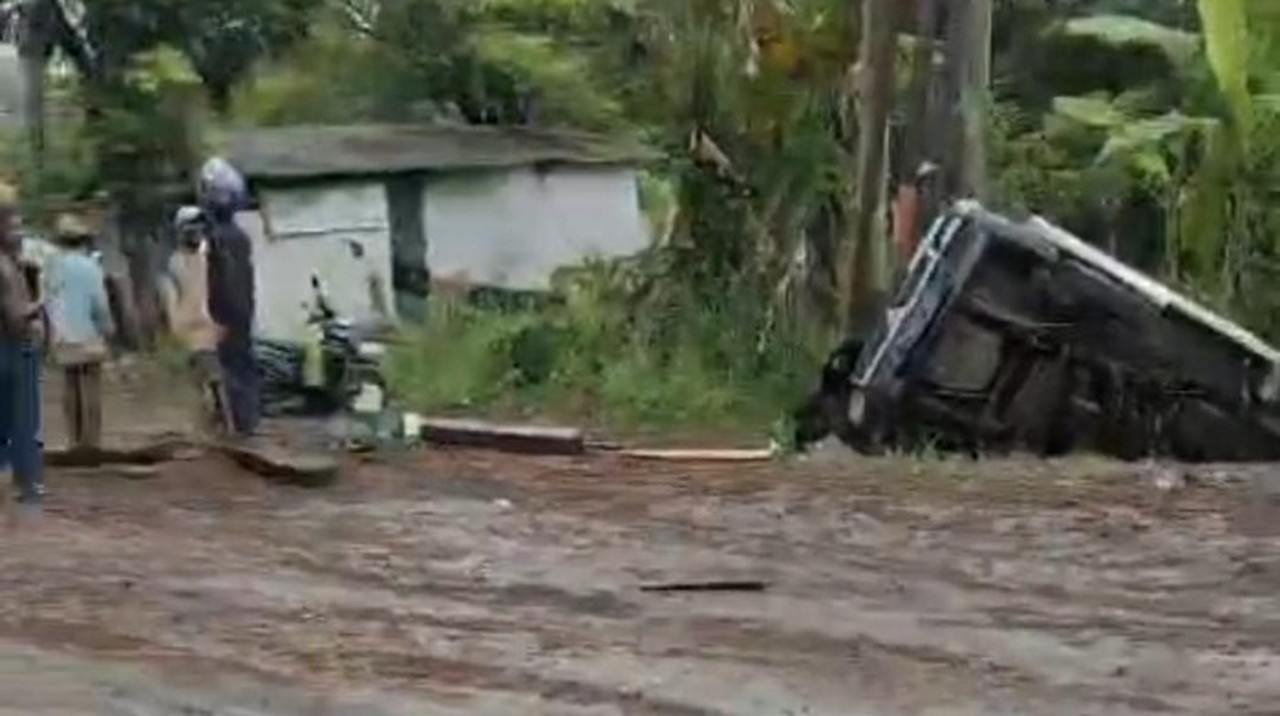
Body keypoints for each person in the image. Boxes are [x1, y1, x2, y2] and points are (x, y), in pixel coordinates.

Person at [198, 158, 260, 438]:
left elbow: (227, 283)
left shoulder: (220, 239)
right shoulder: (237, 237)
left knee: (234, 369)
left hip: (230, 314)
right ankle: (242, 422)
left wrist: (222, 316)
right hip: (241, 312)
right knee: (241, 366)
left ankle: (240, 425)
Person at [47, 213, 114, 452]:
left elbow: (49, 302)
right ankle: (92, 441)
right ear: (83, 240)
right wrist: (108, 328)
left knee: (71, 386)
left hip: (63, 336)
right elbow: (100, 304)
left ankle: (74, 440)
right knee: (91, 387)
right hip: (89, 335)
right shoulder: (91, 267)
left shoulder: (53, 267)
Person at [160, 206, 229, 434]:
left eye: (199, 226)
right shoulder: (173, 264)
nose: (196, 231)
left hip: (213, 329)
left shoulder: (209, 258)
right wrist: (176, 330)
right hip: (191, 334)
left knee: (218, 385)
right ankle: (207, 433)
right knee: (205, 387)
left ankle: (219, 431)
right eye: (191, 227)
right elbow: (170, 300)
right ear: (180, 231)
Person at [0, 182, 46, 504]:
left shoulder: (11, 263)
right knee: (24, 420)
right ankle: (28, 487)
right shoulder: (5, 267)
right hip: (14, 349)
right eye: (12, 223)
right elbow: (15, 317)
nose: (18, 231)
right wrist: (39, 304)